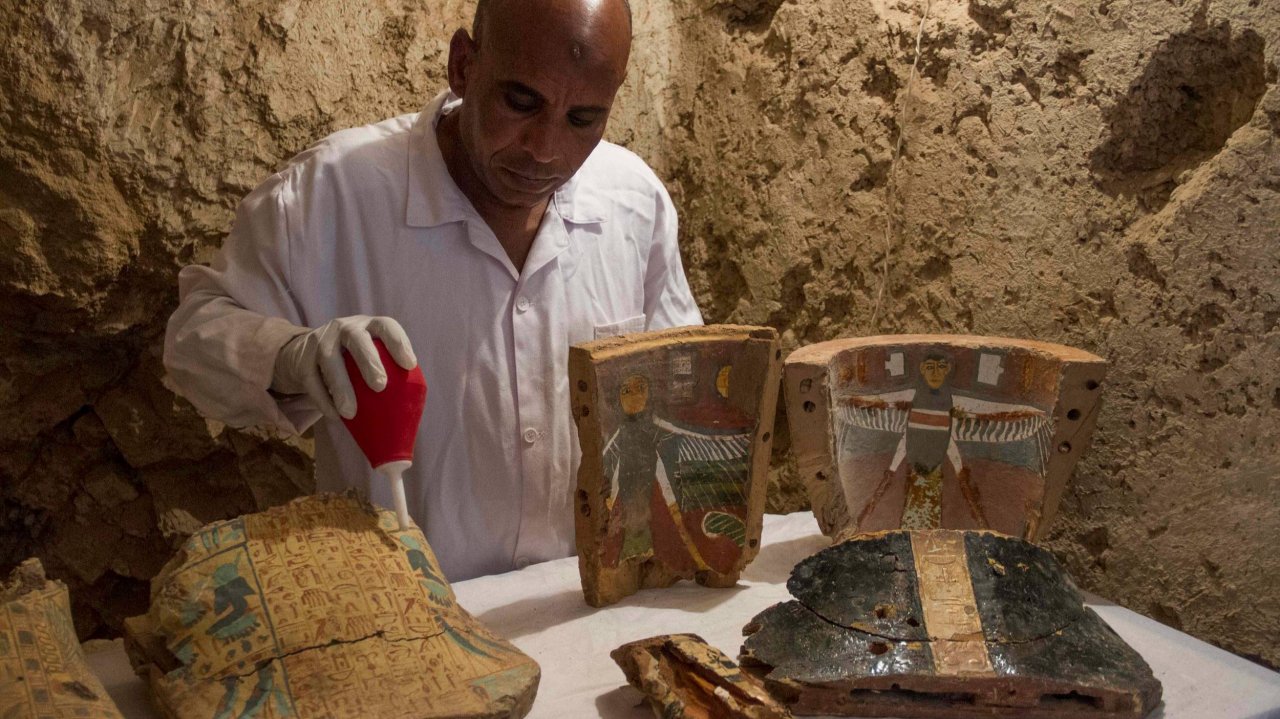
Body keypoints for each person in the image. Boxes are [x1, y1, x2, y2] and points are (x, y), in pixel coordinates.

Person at [163, 0, 702, 582]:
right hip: (407, 615)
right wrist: (291, 356)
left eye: (584, 119)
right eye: (521, 102)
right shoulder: (334, 194)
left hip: (592, 608)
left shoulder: (632, 203)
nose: (546, 148)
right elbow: (193, 340)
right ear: (463, 65)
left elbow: (686, 391)